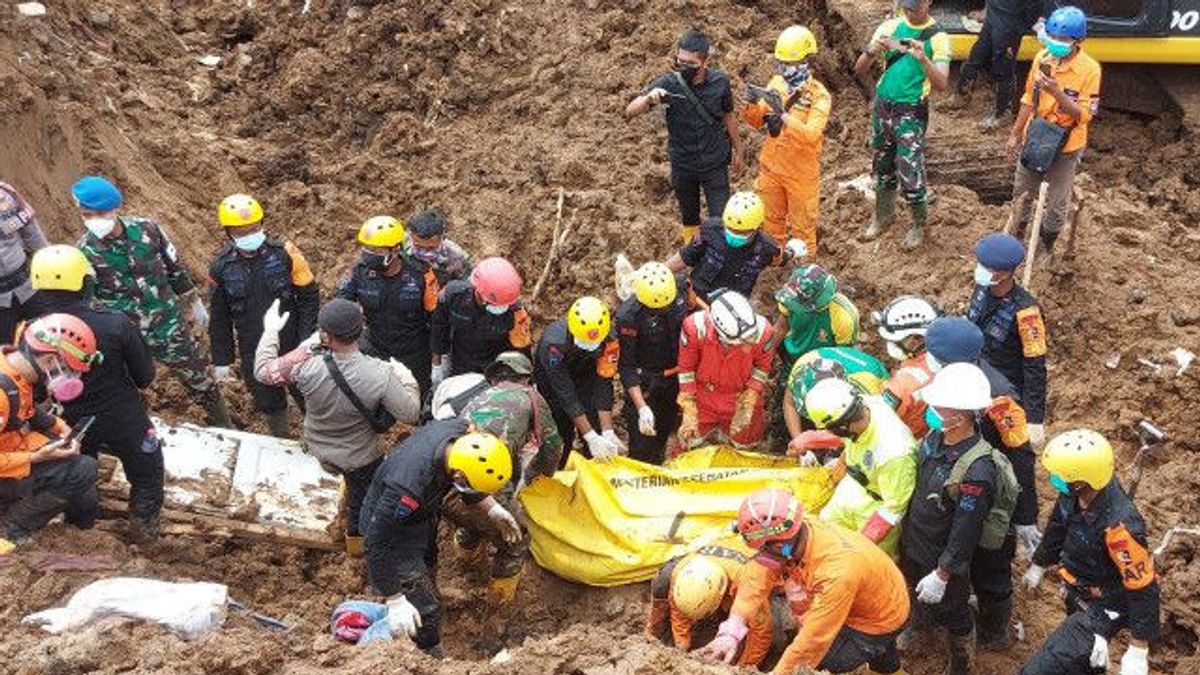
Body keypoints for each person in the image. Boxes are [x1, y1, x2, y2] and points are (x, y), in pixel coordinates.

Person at [254, 298, 421, 555]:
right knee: (363, 502)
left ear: (326, 336)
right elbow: (409, 413)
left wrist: (271, 331)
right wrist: (408, 380)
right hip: (361, 456)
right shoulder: (380, 373)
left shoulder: (305, 366)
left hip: (319, 447)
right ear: (360, 331)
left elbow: (264, 372)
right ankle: (357, 546)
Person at [71, 176, 232, 428]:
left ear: (115, 208)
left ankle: (224, 425)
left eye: (99, 213)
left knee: (199, 376)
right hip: (125, 335)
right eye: (86, 214)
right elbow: (87, 302)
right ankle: (138, 430)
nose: (93, 220)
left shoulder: (148, 230)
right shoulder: (83, 252)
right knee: (126, 386)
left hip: (168, 325)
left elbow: (174, 267)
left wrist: (192, 301)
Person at [30, 245, 163, 543]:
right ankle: (145, 531)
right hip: (122, 415)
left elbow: (35, 389)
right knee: (147, 469)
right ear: (85, 283)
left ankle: (81, 530)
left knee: (79, 470)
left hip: (67, 420)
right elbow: (144, 377)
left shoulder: (30, 332)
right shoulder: (115, 323)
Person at [922, 316, 1040, 650]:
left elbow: (1021, 455)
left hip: (991, 484)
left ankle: (994, 630)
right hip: (957, 472)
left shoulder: (998, 397)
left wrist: (1025, 516)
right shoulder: (949, 383)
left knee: (991, 559)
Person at [698, 488, 909, 674]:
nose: (761, 555)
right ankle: (889, 667)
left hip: (879, 618)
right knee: (878, 652)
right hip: (876, 595)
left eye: (764, 548)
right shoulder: (796, 531)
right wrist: (731, 631)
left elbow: (813, 642)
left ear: (780, 545)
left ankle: (878, 650)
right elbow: (756, 578)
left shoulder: (836, 570)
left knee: (821, 662)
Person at [359, 420, 519, 656]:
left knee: (429, 564)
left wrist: (492, 507)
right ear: (457, 473)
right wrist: (394, 598)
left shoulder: (458, 434)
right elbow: (376, 542)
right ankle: (429, 656)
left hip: (421, 516)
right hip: (393, 534)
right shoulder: (406, 488)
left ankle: (423, 597)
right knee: (425, 610)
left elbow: (468, 483)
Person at [900, 363, 1019, 674]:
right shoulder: (934, 439)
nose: (932, 410)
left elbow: (965, 531)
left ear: (960, 416)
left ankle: (962, 663)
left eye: (939, 406)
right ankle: (920, 626)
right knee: (913, 587)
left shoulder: (977, 470)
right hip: (916, 540)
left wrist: (943, 574)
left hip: (943, 555)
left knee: (955, 612)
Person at [1021, 429, 1158, 675]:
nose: (1054, 479)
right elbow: (1057, 526)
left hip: (1104, 605)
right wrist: (1039, 564)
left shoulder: (1120, 527)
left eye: (1059, 476)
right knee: (1082, 663)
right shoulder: (1072, 495)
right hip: (1077, 590)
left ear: (1081, 481)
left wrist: (1139, 646)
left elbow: (1142, 585)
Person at [449, 351, 564, 604]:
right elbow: (553, 445)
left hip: (451, 480)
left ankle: (467, 561)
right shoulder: (531, 397)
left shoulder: (476, 398)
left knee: (474, 518)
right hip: (488, 477)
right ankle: (497, 609)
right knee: (516, 539)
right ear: (525, 379)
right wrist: (539, 479)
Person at [209, 194, 319, 437]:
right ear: (229, 233)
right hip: (253, 346)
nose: (249, 236)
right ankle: (281, 440)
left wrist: (306, 338)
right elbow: (220, 318)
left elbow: (309, 296)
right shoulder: (221, 268)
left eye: (254, 228)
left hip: (291, 339)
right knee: (268, 400)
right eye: (241, 231)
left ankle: (319, 436)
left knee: (308, 391)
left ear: (262, 224)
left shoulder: (285, 254)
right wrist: (222, 360)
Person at [625, 28, 743, 243]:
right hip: (683, 164)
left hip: (714, 162)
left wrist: (739, 150)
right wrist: (649, 100)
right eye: (679, 61)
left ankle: (719, 258)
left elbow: (728, 116)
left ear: (704, 62)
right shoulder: (668, 83)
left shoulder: (720, 82)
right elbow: (630, 111)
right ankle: (693, 255)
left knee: (721, 219)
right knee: (689, 219)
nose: (683, 67)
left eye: (689, 64)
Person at [1006, 5, 1102, 259]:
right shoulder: (1043, 58)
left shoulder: (1090, 70)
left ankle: (1045, 247)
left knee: (1057, 204)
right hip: (1036, 136)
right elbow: (1028, 98)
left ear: (1078, 41)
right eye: (1053, 37)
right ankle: (1016, 241)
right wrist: (1015, 134)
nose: (1057, 43)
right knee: (1022, 193)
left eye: (1063, 40)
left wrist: (1057, 93)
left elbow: (1083, 116)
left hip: (1066, 144)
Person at [855, 0, 951, 249]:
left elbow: (942, 84)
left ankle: (918, 223)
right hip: (883, 105)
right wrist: (872, 49)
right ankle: (883, 217)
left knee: (910, 167)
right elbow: (859, 69)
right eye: (907, 6)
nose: (910, 11)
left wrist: (923, 59)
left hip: (910, 109)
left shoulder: (938, 37)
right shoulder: (890, 26)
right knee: (883, 163)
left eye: (915, 6)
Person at [0, 314, 102, 547]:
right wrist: (36, 457)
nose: (69, 378)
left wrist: (58, 426)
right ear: (48, 360)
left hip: (11, 447)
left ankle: (80, 530)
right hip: (7, 462)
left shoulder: (12, 370)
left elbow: (25, 409)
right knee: (83, 470)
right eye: (68, 370)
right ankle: (10, 527)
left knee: (82, 478)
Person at [799, 378, 917, 557]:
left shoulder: (895, 452)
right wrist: (811, 440)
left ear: (842, 427)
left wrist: (861, 547)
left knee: (869, 562)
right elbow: (849, 437)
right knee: (823, 536)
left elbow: (892, 510)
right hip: (854, 486)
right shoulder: (863, 404)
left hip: (877, 507)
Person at [742, 25, 831, 256]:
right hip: (772, 167)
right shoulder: (777, 84)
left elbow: (812, 135)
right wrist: (751, 104)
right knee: (772, 224)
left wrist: (785, 118)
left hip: (801, 174)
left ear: (805, 61)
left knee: (802, 231)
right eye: (782, 63)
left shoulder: (819, 95)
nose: (785, 69)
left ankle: (804, 277)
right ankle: (775, 265)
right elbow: (755, 120)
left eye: (790, 64)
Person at [336, 216, 438, 398]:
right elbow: (341, 305)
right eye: (367, 248)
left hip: (414, 353)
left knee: (417, 401)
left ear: (395, 249)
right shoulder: (359, 272)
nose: (369, 253)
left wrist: (437, 358)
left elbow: (435, 317)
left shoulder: (422, 274)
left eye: (376, 250)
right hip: (376, 350)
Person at [967, 233, 1047, 446]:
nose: (979, 269)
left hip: (1005, 393)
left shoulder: (1027, 313)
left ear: (1002, 274)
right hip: (976, 376)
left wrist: (1034, 418)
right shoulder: (982, 288)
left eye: (985, 266)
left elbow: (1035, 366)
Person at [768, 264, 860, 444]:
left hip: (825, 364)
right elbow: (780, 328)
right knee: (785, 401)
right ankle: (783, 437)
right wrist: (762, 359)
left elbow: (841, 356)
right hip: (792, 356)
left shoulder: (844, 317)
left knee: (820, 411)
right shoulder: (791, 297)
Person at [645, 541, 774, 668]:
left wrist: (744, 668)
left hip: (768, 580)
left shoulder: (751, 585)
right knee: (664, 577)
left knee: (778, 628)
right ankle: (653, 633)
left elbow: (761, 633)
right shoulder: (682, 570)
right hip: (728, 571)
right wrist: (681, 646)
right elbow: (678, 609)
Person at [676, 290, 775, 450]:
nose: (748, 346)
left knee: (747, 448)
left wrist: (749, 400)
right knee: (689, 444)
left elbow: (762, 368)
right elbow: (686, 370)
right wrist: (688, 407)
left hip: (741, 397)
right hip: (703, 398)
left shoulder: (763, 332)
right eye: (741, 342)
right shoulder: (695, 328)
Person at [666, 191, 804, 301]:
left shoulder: (765, 248)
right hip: (697, 296)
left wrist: (792, 251)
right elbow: (686, 256)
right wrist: (662, 269)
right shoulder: (710, 229)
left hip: (732, 306)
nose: (733, 235)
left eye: (741, 232)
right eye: (730, 229)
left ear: (756, 228)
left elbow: (780, 258)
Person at [615, 262, 689, 464]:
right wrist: (641, 407)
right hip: (647, 380)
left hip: (676, 376)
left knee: (665, 429)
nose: (665, 308)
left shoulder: (681, 288)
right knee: (642, 445)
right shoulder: (628, 317)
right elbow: (627, 366)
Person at [533, 296, 622, 462]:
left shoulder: (608, 338)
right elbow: (565, 392)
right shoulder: (553, 344)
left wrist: (607, 431)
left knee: (595, 427)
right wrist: (590, 436)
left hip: (586, 378)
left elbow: (604, 381)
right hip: (553, 385)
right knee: (560, 438)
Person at [430, 256, 532, 382]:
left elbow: (521, 348)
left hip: (494, 369)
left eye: (505, 305)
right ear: (479, 292)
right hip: (460, 364)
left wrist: (524, 379)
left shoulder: (515, 312)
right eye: (497, 304)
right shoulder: (453, 296)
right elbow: (439, 328)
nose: (502, 308)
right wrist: (438, 364)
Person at [954, 0, 1044, 130]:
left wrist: (1030, 22)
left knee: (1003, 68)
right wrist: (986, 11)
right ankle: (960, 96)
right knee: (976, 55)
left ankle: (1002, 113)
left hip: (1010, 21)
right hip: (994, 14)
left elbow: (1034, 7)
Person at [781, 347, 889, 446]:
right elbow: (789, 403)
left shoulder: (867, 388)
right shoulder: (802, 367)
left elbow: (869, 432)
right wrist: (799, 439)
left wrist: (840, 454)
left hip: (871, 378)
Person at [876, 294, 941, 436]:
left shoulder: (901, 385)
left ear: (915, 340)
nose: (890, 345)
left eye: (894, 341)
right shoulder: (947, 355)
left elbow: (873, 426)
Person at [0, 182, 48, 343]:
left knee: (48, 338)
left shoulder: (5, 194)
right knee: (6, 355)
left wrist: (49, 259)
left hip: (28, 288)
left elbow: (30, 230)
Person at [405, 208, 472, 287]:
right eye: (419, 247)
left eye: (431, 248)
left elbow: (466, 285)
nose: (425, 253)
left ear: (442, 238)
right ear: (411, 236)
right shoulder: (399, 247)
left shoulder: (456, 256)